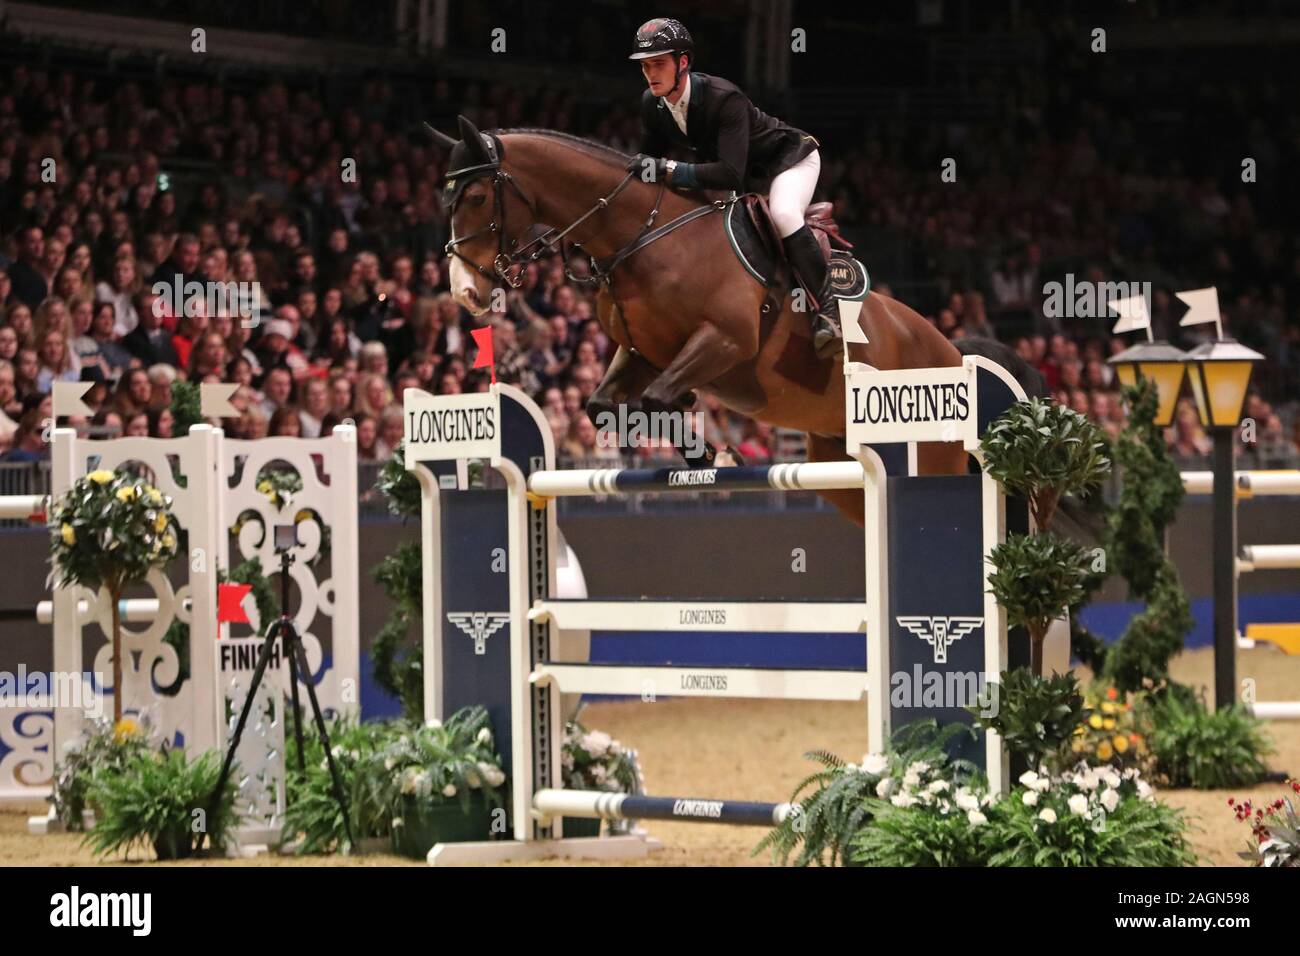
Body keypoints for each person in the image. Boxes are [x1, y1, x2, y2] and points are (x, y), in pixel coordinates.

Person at [626, 17, 839, 356]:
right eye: (646, 66)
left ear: (683, 62)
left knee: (784, 213)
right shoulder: (652, 104)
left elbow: (727, 174)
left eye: (659, 64)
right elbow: (648, 165)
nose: (651, 73)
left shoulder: (723, 98)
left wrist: (668, 168)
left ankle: (827, 312)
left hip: (787, 161)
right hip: (745, 175)